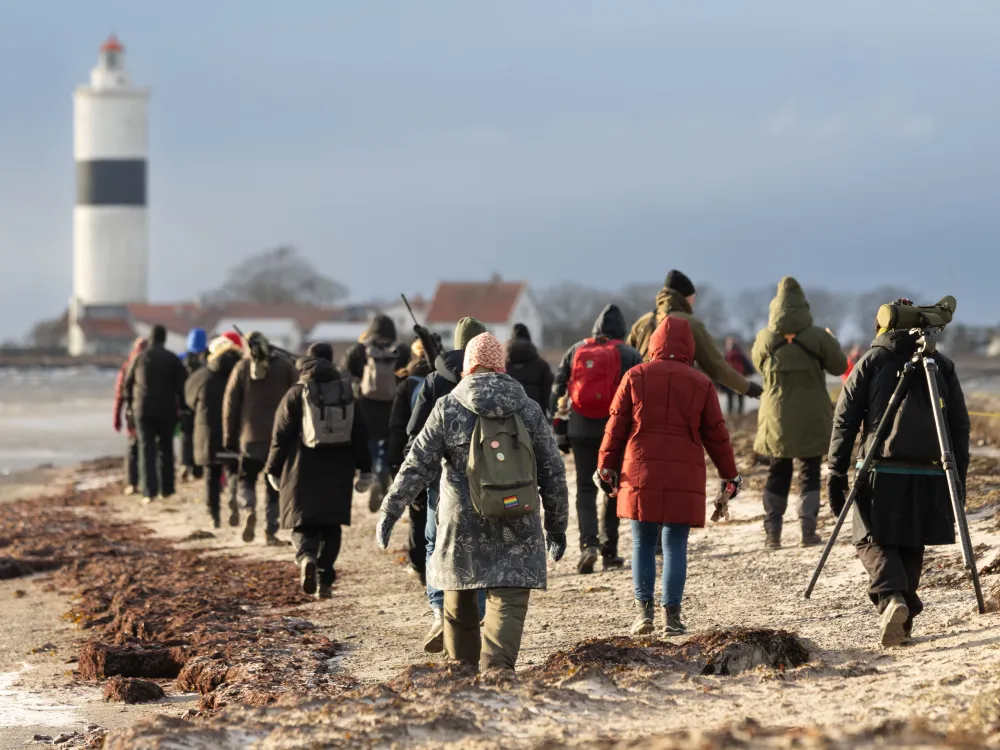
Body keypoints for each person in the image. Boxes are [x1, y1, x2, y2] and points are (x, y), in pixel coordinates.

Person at [376, 333, 569, 671]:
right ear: (500, 366)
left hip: (461, 522)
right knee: (508, 598)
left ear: (467, 367)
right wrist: (557, 526)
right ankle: (497, 671)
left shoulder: (448, 407)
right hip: (517, 516)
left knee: (459, 596)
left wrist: (390, 511)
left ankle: (463, 674)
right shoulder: (528, 408)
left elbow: (417, 465)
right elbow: (553, 472)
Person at [828, 315, 970, 647]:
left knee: (869, 537)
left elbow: (845, 419)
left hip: (880, 468)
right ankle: (903, 622)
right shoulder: (941, 364)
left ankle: (892, 598)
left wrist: (836, 472)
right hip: (932, 470)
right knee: (911, 540)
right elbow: (960, 427)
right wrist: (957, 479)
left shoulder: (872, 360)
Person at [599, 317, 741, 636]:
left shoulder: (635, 376)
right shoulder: (700, 383)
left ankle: (643, 613)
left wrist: (605, 466)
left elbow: (615, 426)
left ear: (653, 343)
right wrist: (730, 475)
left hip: (640, 470)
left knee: (642, 541)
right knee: (676, 543)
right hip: (683, 473)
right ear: (689, 347)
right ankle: (672, 616)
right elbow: (717, 436)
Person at [265, 343, 374, 599]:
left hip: (301, 468)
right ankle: (325, 579)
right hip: (339, 469)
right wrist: (365, 469)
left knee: (303, 522)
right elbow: (360, 433)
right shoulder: (346, 392)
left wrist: (273, 468)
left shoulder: (296, 392)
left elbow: (280, 435)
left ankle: (306, 557)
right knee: (331, 525)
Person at [408, 316, 489, 653]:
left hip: (441, 477)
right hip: (488, 477)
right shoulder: (496, 379)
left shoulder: (432, 381)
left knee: (435, 541)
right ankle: (478, 613)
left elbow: (414, 434)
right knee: (483, 544)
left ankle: (440, 610)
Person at [752, 277, 848, 550]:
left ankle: (773, 535)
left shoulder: (764, 338)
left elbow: (758, 366)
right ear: (803, 305)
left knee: (777, 471)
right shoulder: (818, 336)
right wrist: (832, 341)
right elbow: (839, 366)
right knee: (809, 472)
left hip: (776, 415)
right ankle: (807, 531)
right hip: (811, 414)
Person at [550, 304, 643, 574]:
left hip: (579, 429)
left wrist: (560, 430)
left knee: (584, 488)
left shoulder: (575, 350)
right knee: (613, 486)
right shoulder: (629, 353)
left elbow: (558, 391)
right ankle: (609, 549)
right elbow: (640, 395)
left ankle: (587, 545)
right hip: (614, 431)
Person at [627, 270, 764, 400]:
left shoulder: (642, 323)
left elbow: (627, 361)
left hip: (641, 397)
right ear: (686, 297)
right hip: (678, 398)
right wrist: (748, 388)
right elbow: (716, 366)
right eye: (693, 297)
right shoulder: (689, 323)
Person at [223, 331, 298, 546]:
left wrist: (229, 435)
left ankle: (248, 508)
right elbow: (297, 394)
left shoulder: (242, 367)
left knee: (246, 479)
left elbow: (230, 405)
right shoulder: (284, 366)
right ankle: (270, 531)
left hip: (249, 436)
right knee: (273, 484)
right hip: (278, 437)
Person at [341, 315, 410, 511]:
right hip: (393, 406)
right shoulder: (402, 351)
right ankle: (383, 476)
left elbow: (345, 374)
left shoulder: (359, 351)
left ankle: (372, 478)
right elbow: (409, 374)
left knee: (369, 444)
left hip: (365, 407)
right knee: (388, 447)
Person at [122, 325, 188, 503]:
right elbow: (181, 388)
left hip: (142, 410)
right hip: (166, 411)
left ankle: (149, 492)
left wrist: (129, 407)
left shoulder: (139, 358)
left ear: (150, 338)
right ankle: (167, 489)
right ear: (164, 339)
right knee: (166, 449)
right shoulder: (172, 358)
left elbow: (127, 385)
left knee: (146, 449)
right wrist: (182, 409)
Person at [184, 333, 243, 528]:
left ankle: (214, 514)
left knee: (211, 474)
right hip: (235, 429)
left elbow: (189, 402)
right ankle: (233, 498)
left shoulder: (201, 376)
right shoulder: (241, 373)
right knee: (234, 468)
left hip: (207, 431)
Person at [387, 339, 433, 583]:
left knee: (418, 512)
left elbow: (397, 427)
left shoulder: (407, 385)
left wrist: (394, 464)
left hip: (415, 455)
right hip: (445, 457)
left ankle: (420, 566)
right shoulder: (447, 380)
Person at [113, 337, 148, 496]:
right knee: (148, 447)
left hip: (134, 411)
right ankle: (144, 483)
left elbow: (120, 394)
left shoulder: (128, 365)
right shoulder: (151, 363)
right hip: (149, 411)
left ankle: (133, 483)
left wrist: (117, 417)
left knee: (134, 448)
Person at [180, 328, 208, 483]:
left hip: (185, 404)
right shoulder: (206, 362)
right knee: (199, 434)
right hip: (202, 404)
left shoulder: (180, 360)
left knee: (186, 435)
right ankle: (197, 468)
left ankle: (186, 463)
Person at [505, 323, 554, 414]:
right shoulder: (541, 365)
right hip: (536, 413)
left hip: (510, 416)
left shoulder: (503, 366)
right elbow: (548, 393)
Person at [722, 338, 754, 415]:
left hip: (729, 380)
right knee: (740, 398)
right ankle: (740, 415)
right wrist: (746, 375)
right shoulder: (740, 354)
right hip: (740, 378)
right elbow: (749, 368)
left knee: (730, 399)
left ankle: (730, 415)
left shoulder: (726, 354)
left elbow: (721, 367)